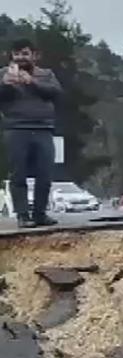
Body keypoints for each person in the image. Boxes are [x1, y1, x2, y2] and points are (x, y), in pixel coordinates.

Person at [0, 38, 62, 228]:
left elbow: (56, 93)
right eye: (17, 54)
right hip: (16, 129)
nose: (21, 58)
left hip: (43, 128)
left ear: (34, 55)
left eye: (25, 54)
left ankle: (40, 213)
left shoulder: (46, 74)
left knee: (45, 174)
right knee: (18, 174)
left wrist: (31, 82)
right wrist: (5, 85)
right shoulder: (4, 74)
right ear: (12, 56)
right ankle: (23, 215)